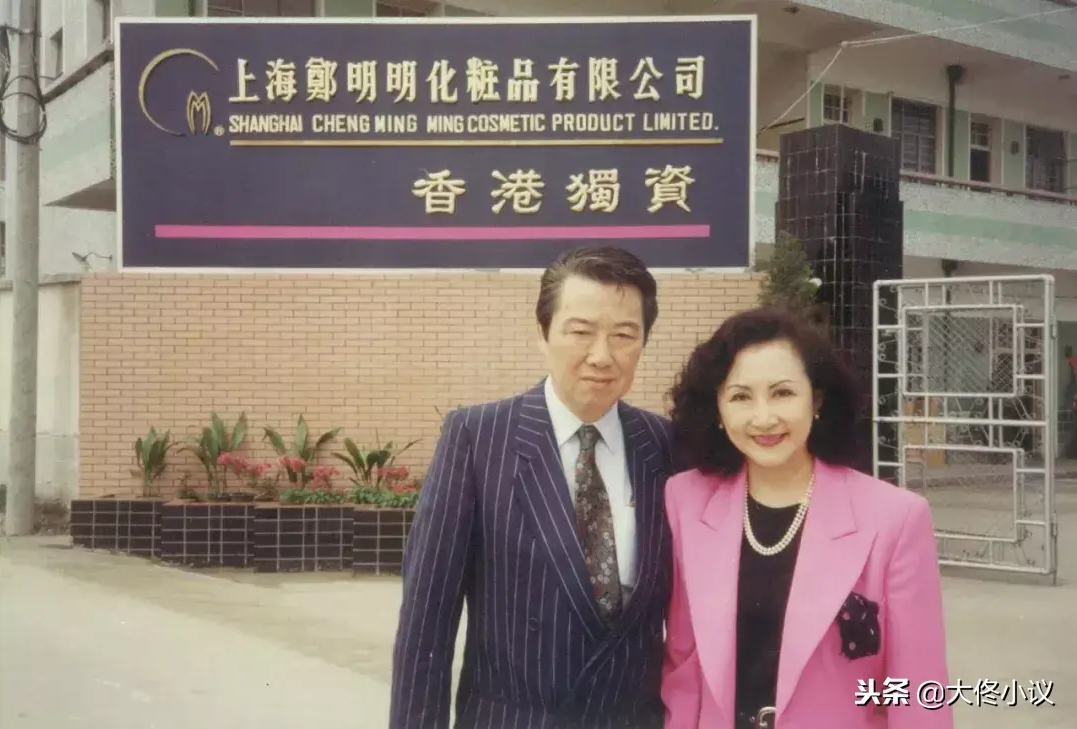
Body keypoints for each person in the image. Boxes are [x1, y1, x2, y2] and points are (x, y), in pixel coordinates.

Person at [390, 246, 675, 729]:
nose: (601, 356)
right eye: (580, 332)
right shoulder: (477, 438)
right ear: (543, 334)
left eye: (624, 335)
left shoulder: (663, 444)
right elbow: (426, 625)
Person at [661, 308, 952, 729]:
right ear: (717, 408)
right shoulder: (685, 500)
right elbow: (683, 666)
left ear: (816, 400)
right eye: (741, 397)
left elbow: (918, 690)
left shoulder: (896, 518)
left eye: (782, 393)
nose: (764, 418)